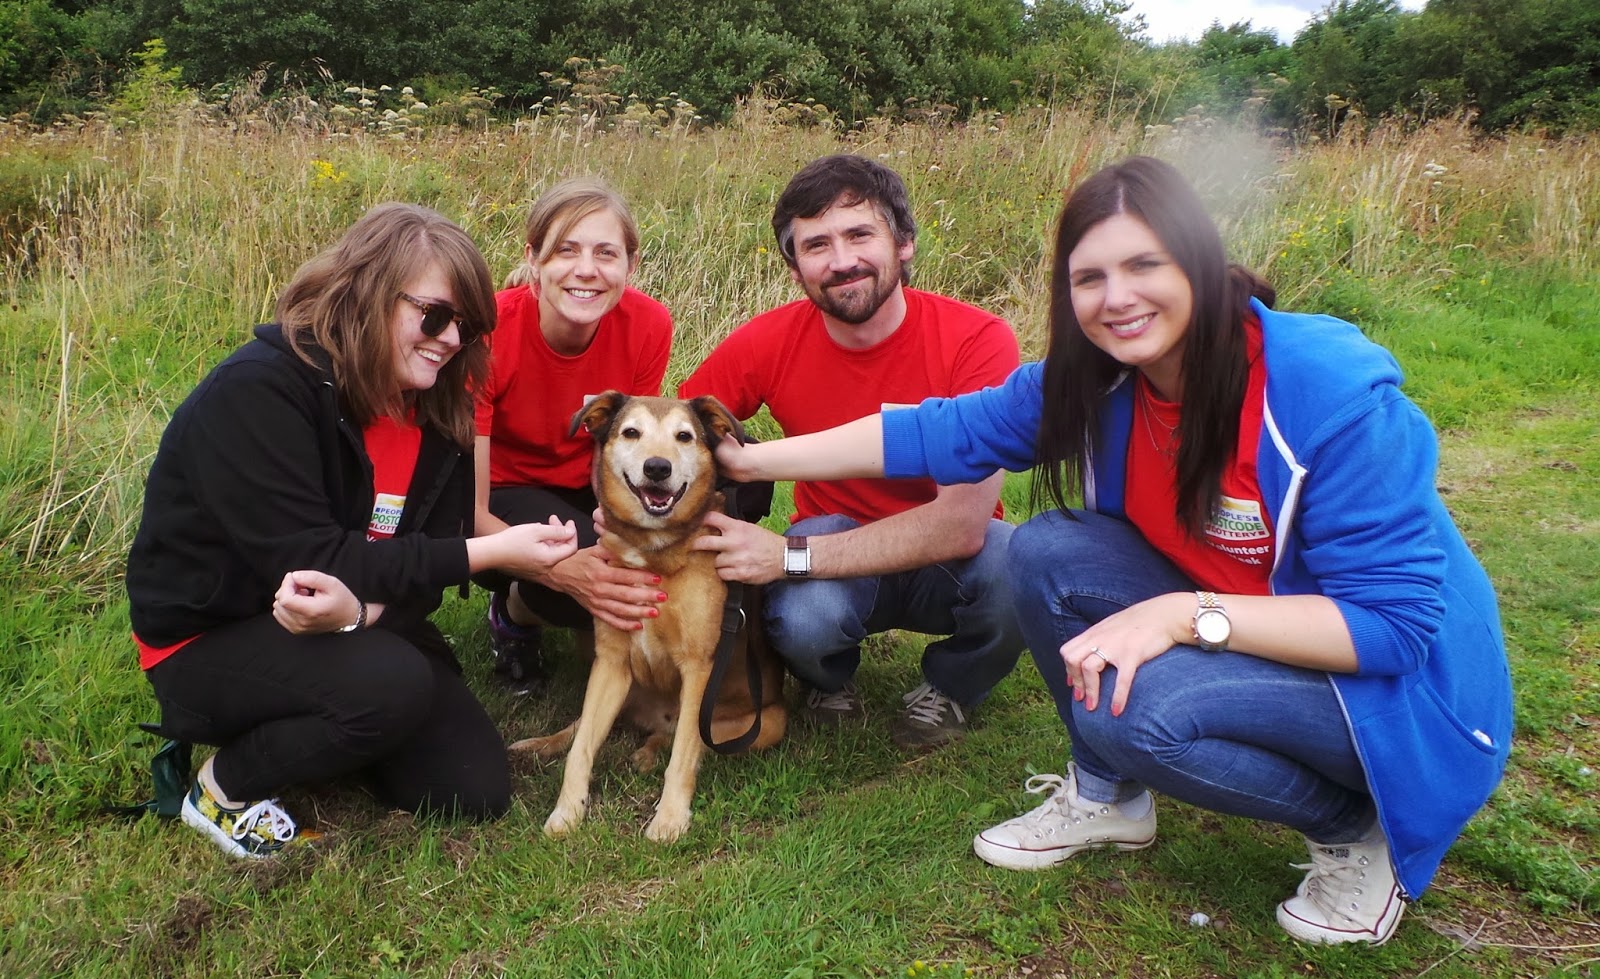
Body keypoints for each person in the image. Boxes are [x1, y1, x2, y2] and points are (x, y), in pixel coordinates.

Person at [712, 156, 1512, 945]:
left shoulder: (1324, 392)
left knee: (1140, 709)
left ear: (1198, 260)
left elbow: (1393, 629)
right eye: (1089, 277)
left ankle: (1355, 827)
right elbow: (933, 429)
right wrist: (751, 461)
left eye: (1143, 265)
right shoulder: (1096, 378)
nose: (1117, 297)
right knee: (1046, 548)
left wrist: (1180, 616)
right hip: (1250, 620)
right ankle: (1108, 796)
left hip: (1407, 699)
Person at [126, 203, 579, 859]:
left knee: (470, 790)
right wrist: (491, 552)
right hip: (215, 633)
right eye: (435, 316)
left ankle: (338, 716)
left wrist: (359, 616)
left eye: (469, 325)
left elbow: (421, 568)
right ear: (367, 292)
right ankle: (223, 788)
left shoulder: (438, 406)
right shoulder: (260, 391)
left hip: (356, 616)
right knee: (393, 682)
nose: (451, 339)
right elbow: (312, 562)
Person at [679, 154, 1026, 750]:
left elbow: (962, 526)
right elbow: (677, 428)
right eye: (816, 245)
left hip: (948, 558)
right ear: (795, 269)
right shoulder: (767, 340)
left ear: (904, 243)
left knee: (1018, 562)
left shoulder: (977, 339)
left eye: (860, 234)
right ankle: (828, 679)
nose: (841, 261)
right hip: (833, 538)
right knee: (805, 616)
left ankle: (951, 685)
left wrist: (785, 556)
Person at [473, 177, 673, 690]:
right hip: (501, 495)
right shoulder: (488, 332)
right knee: (600, 569)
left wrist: (625, 528)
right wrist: (557, 569)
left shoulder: (649, 324)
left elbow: (622, 448)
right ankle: (515, 610)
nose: (587, 269)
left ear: (631, 264)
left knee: (703, 506)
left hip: (585, 481)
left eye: (606, 253)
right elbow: (467, 509)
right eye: (566, 250)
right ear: (533, 259)